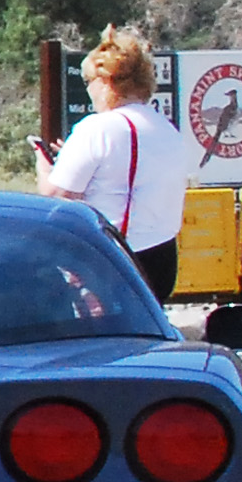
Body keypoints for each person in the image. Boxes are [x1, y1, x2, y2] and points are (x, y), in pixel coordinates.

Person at [40, 29, 202, 298]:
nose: (88, 88)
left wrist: (44, 166)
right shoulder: (167, 130)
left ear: (106, 81)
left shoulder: (99, 129)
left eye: (88, 80)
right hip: (162, 260)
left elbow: (55, 198)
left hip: (114, 262)